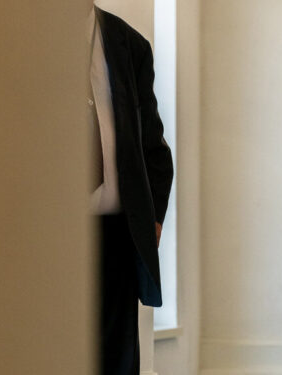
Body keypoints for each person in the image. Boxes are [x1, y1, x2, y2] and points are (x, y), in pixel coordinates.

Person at [88, 6, 173, 375]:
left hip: (116, 234)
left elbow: (153, 144)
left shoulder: (129, 44)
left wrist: (153, 216)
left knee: (116, 358)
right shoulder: (23, 37)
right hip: (48, 234)